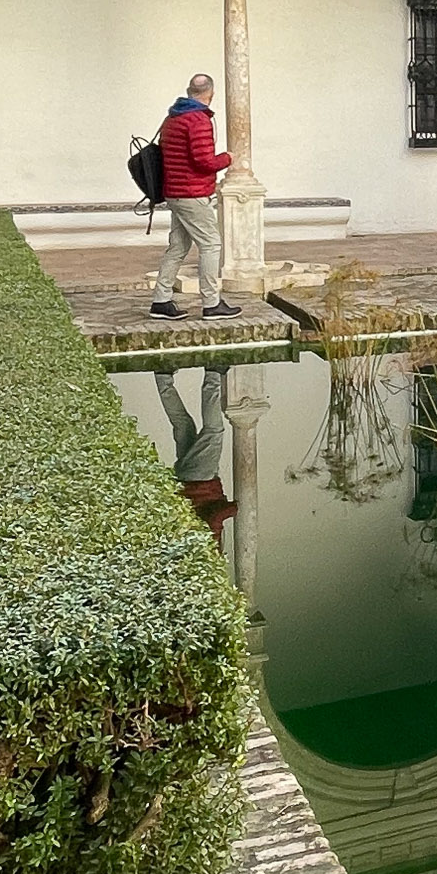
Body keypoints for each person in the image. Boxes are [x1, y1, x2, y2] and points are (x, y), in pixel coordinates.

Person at [150, 73, 240, 319]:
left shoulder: (173, 118)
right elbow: (203, 161)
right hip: (192, 193)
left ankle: (161, 300)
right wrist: (228, 158)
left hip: (175, 193)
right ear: (210, 93)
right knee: (211, 244)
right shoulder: (197, 120)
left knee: (178, 246)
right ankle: (212, 303)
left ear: (189, 91)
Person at [154, 367, 237, 547]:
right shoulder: (189, 544)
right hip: (184, 479)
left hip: (201, 481)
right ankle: (162, 378)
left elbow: (214, 517)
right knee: (183, 425)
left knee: (214, 430)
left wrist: (234, 509)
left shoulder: (207, 547)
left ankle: (213, 373)